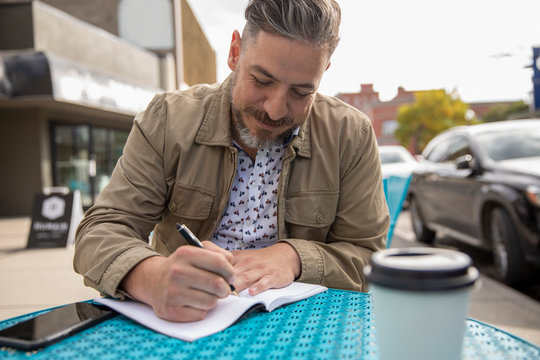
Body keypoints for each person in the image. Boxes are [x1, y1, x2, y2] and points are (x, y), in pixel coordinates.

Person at [74, 0, 389, 323]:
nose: (276, 109)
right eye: (262, 80)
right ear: (235, 53)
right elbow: (101, 231)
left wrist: (295, 258)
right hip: (185, 325)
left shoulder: (350, 134)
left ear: (323, 73)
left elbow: (370, 258)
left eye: (300, 92)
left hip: (305, 328)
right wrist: (151, 277)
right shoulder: (169, 119)